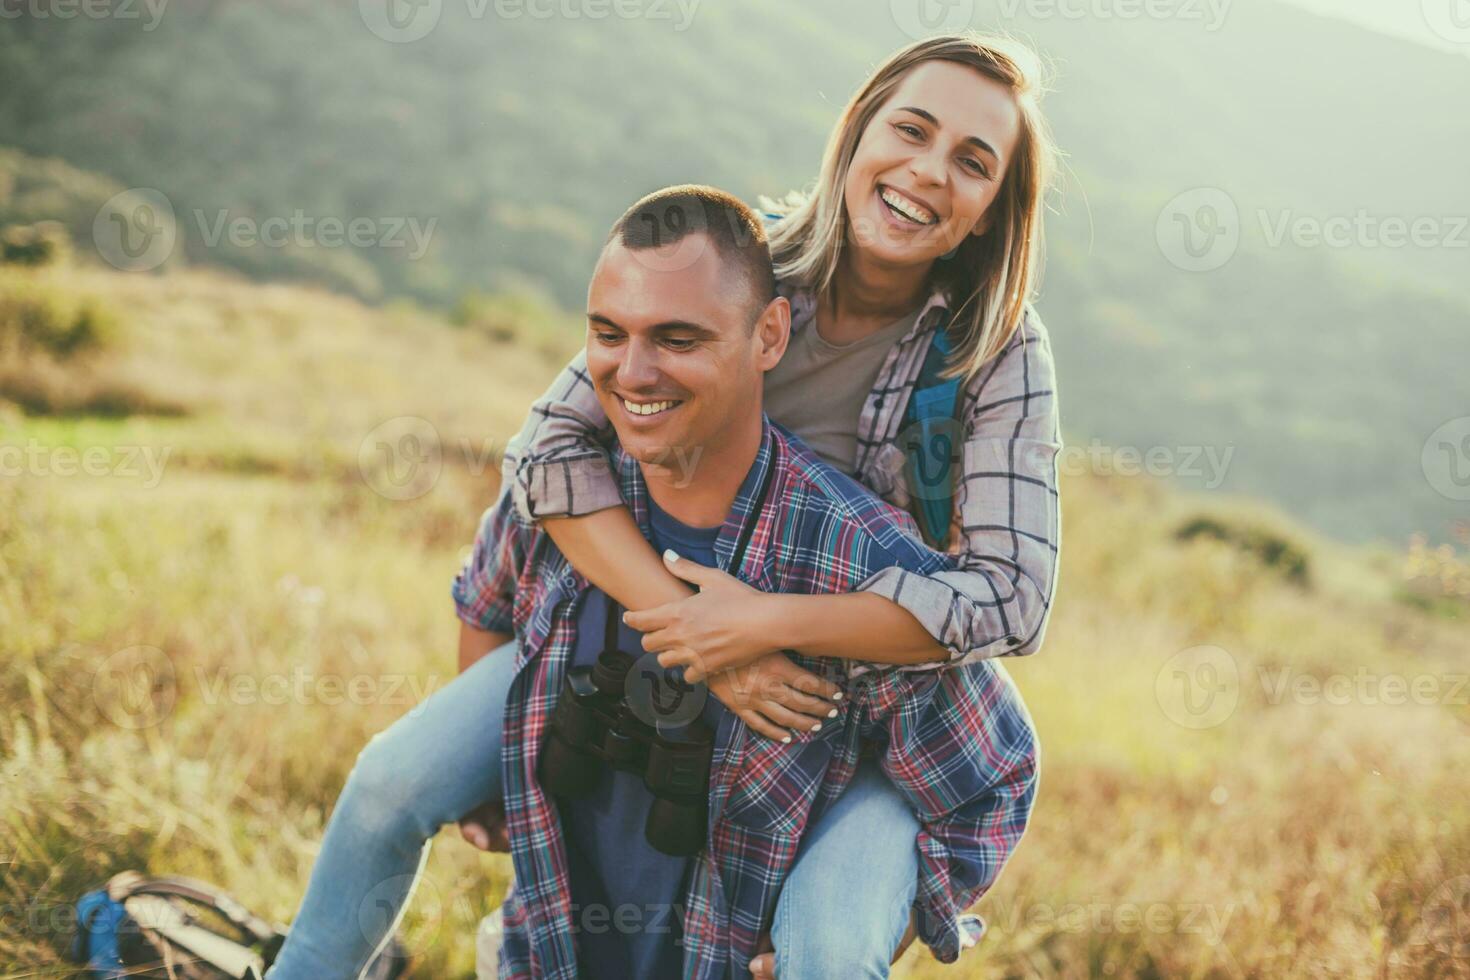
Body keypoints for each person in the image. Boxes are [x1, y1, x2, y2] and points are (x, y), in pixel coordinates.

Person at [499, 30, 1062, 979]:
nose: (928, 173)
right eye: (911, 130)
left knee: (825, 949)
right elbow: (551, 447)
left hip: (869, 712)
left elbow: (1014, 597)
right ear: (857, 134)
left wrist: (760, 626)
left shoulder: (996, 353)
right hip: (659, 645)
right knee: (402, 789)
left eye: (972, 163)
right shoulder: (744, 269)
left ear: (989, 213)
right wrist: (694, 630)